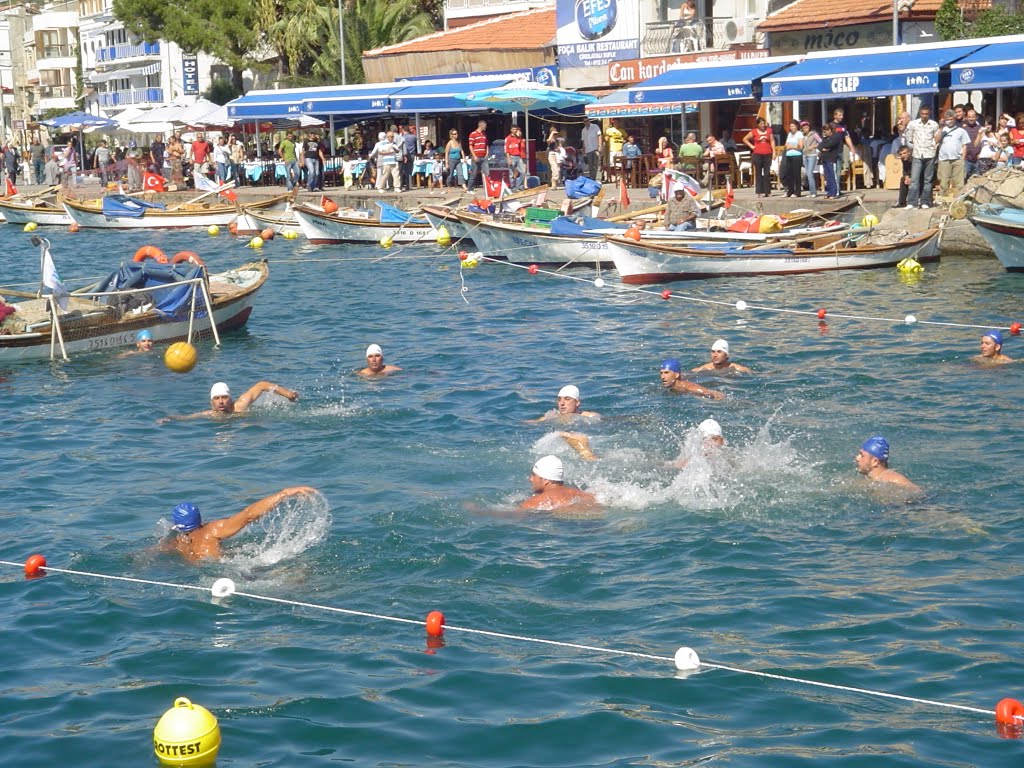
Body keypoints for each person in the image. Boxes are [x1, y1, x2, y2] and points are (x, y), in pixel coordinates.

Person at [163, 487, 318, 562]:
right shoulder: (211, 530)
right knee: (298, 573)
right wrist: (284, 493)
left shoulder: (176, 541)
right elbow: (248, 515)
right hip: (227, 572)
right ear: (199, 518)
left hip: (203, 576)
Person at [519, 455, 596, 511]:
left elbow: (514, 517)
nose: (530, 479)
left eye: (534, 475)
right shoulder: (586, 495)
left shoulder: (536, 501)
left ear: (546, 480)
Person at [854, 436, 920, 492]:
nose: (857, 458)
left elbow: (917, 491)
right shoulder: (875, 479)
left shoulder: (890, 479)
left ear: (875, 462)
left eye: (862, 455)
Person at [905, 105, 939, 209]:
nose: (924, 116)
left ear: (929, 114)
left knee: (927, 181)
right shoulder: (913, 124)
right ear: (920, 113)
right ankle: (912, 202)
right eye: (922, 114)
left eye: (926, 114)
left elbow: (936, 138)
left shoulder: (934, 125)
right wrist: (913, 147)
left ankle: (925, 202)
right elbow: (909, 138)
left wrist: (934, 148)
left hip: (930, 154)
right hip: (917, 154)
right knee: (914, 180)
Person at [935, 109, 970, 199]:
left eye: (951, 119)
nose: (949, 121)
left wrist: (963, 158)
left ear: (954, 119)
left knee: (959, 182)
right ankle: (943, 200)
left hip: (957, 159)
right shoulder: (942, 130)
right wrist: (941, 127)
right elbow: (936, 140)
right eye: (947, 119)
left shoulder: (961, 131)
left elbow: (964, 145)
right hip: (944, 159)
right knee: (944, 182)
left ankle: (958, 200)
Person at [527, 385, 599, 422]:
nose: (562, 403)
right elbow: (533, 423)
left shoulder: (590, 417)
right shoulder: (551, 416)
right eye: (559, 399)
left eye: (567, 399)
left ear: (577, 402)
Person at [660, 358, 724, 399]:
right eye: (661, 373)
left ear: (677, 375)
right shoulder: (670, 386)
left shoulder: (689, 387)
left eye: (666, 373)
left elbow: (708, 393)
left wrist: (715, 396)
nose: (662, 377)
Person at [743, 117, 774, 197]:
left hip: (767, 153)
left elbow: (772, 141)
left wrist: (774, 151)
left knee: (767, 173)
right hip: (757, 154)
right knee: (758, 173)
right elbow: (745, 139)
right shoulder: (754, 131)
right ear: (758, 125)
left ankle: (768, 191)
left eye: (764, 123)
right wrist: (751, 146)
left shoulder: (769, 130)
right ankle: (759, 192)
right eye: (761, 124)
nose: (763, 125)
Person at [817, 122, 843, 200]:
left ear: (831, 130)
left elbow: (829, 145)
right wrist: (823, 148)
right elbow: (820, 145)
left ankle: (834, 193)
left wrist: (825, 148)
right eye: (824, 131)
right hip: (825, 159)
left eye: (827, 130)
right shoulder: (825, 138)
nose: (825, 132)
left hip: (832, 159)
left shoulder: (836, 137)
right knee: (827, 177)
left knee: (832, 176)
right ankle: (829, 192)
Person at [782, 120, 804, 198]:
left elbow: (800, 146)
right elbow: (786, 144)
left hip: (797, 156)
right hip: (789, 155)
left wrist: (791, 146)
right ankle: (790, 191)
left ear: (797, 126)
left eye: (793, 126)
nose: (791, 128)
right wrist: (792, 145)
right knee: (789, 174)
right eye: (790, 126)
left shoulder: (799, 134)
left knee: (796, 174)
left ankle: (797, 192)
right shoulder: (789, 134)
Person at [800, 121, 821, 198]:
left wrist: (813, 146)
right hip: (805, 155)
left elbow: (821, 142)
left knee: (809, 173)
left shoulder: (814, 134)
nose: (805, 129)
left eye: (807, 127)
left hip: (812, 155)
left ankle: (814, 192)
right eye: (804, 128)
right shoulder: (802, 135)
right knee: (807, 173)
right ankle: (811, 191)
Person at [468, 120, 489, 190]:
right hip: (476, 156)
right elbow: (470, 145)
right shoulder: (473, 134)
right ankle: (470, 188)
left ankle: (488, 188)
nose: (485, 128)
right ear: (481, 126)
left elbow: (486, 144)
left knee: (487, 173)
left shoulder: (484, 134)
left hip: (484, 156)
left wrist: (487, 153)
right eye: (485, 126)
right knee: (474, 173)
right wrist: (474, 156)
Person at [505, 124, 527, 192]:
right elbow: (506, 149)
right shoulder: (508, 138)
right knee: (511, 173)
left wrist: (520, 137)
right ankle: (512, 187)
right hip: (511, 156)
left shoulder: (518, 138)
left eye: (516, 129)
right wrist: (508, 158)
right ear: (511, 130)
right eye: (513, 129)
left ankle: (519, 186)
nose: (515, 131)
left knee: (523, 172)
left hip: (518, 156)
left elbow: (522, 147)